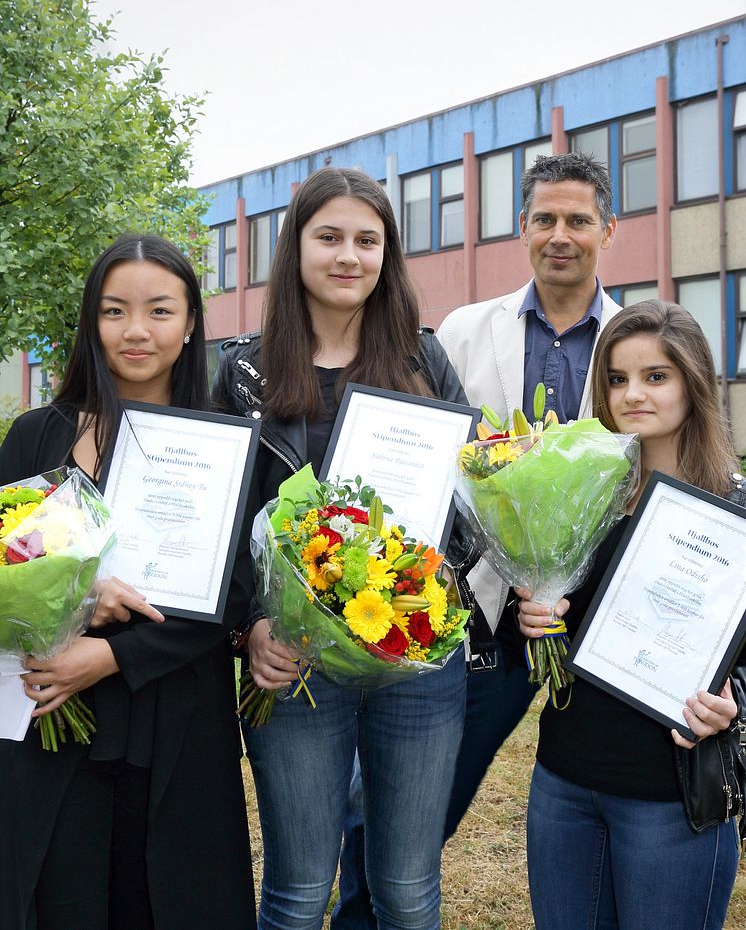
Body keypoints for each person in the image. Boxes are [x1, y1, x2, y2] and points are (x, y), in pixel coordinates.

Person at [214, 166, 471, 930]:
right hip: (291, 665)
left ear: (388, 254)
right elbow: (223, 530)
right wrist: (248, 629)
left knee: (408, 893)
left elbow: (466, 509)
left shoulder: (426, 363)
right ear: (296, 248)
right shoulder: (242, 372)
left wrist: (428, 594)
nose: (349, 255)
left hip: (414, 664)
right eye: (329, 237)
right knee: (295, 893)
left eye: (368, 239)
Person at [0, 236, 256, 930]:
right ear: (92, 322)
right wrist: (80, 595)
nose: (136, 330)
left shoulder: (223, 440)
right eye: (114, 311)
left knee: (169, 904)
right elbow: (4, 558)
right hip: (53, 725)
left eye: (160, 310)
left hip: (174, 720)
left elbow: (234, 591)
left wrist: (110, 655)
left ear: (193, 321)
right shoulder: (36, 436)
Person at [518, 300, 746, 929]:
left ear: (692, 383)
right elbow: (555, 630)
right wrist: (534, 619)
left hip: (668, 796)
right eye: (617, 379)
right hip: (564, 780)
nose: (633, 395)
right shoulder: (579, 495)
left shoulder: (734, 515)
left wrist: (735, 705)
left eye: (656, 376)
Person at [434, 150, 620, 838]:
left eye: (578, 219)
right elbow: (441, 470)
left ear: (608, 230)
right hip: (487, 611)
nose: (560, 234)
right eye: (545, 218)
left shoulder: (638, 339)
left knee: (603, 794)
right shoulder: (463, 331)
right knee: (428, 793)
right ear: (522, 227)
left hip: (602, 608)